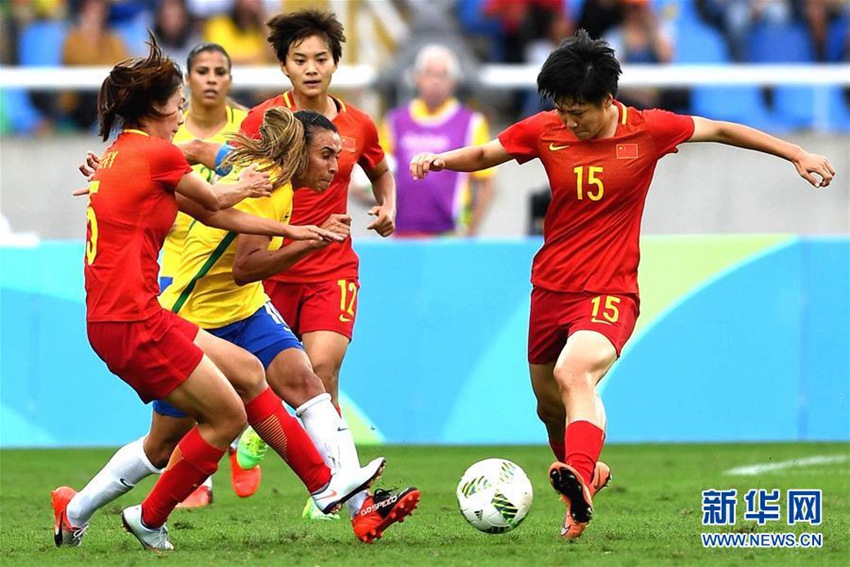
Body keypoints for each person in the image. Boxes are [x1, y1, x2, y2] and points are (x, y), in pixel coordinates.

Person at [409, 29, 836, 541]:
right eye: (563, 109)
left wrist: (795, 153)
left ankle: (580, 484)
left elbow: (721, 130)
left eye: (578, 111)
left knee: (575, 374)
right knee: (547, 405)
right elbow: (486, 154)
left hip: (611, 290)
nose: (569, 120)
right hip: (550, 287)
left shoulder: (650, 130)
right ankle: (589, 472)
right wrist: (441, 160)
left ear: (607, 100)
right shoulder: (545, 130)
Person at [51, 35, 384, 551]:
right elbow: (215, 197)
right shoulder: (160, 155)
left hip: (142, 314)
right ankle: (150, 516)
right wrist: (250, 186)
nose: (185, 103)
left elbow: (206, 203)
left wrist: (298, 230)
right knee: (219, 419)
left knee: (250, 380)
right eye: (178, 96)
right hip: (144, 316)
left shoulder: (131, 153)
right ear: (156, 106)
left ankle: (76, 510)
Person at [185, 9, 401, 532]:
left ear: (335, 64)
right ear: (283, 65)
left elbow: (379, 168)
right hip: (269, 267)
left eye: (320, 59)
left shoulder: (358, 124)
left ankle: (331, 489)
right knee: (267, 379)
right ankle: (254, 447)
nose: (311, 68)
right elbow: (217, 163)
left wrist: (387, 205)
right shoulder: (262, 121)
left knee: (320, 369)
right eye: (299, 59)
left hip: (332, 265)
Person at [166, 42, 254, 508]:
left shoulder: (248, 129)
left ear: (231, 79)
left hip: (229, 267)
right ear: (189, 79)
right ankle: (200, 477)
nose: (212, 78)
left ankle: (241, 441)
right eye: (203, 70)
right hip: (174, 266)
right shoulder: (169, 126)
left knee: (252, 367)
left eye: (221, 70)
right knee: (186, 380)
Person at [381, 44, 494, 237]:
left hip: (450, 233)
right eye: (429, 73)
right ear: (416, 78)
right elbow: (378, 171)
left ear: (454, 82)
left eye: (443, 75)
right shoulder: (395, 121)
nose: (435, 81)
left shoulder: (471, 123)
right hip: (402, 232)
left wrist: (472, 230)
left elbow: (486, 182)